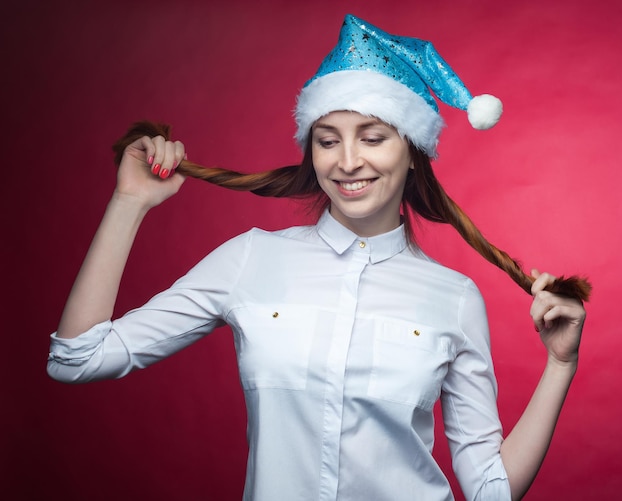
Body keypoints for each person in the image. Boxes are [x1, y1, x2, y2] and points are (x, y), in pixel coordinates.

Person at [48, 14, 589, 501]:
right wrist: (129, 202)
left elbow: (490, 492)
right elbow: (77, 359)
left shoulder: (454, 298)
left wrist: (560, 363)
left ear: (412, 151)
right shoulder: (250, 259)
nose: (348, 161)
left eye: (373, 137)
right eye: (327, 140)